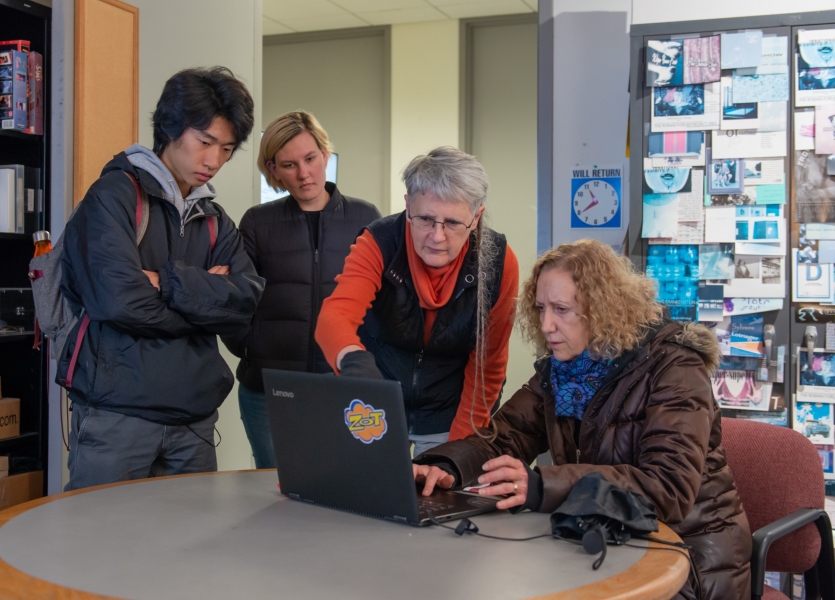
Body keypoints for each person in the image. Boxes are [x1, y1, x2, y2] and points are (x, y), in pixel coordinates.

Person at [412, 240, 751, 600]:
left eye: (561, 309)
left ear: (603, 308)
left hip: (690, 559)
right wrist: (444, 464)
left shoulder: (676, 368)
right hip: (606, 537)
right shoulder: (563, 370)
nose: (546, 325)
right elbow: (503, 436)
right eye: (541, 308)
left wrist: (544, 486)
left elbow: (669, 488)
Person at [58, 67, 265, 490]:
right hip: (117, 416)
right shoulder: (113, 196)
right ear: (171, 129)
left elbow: (245, 304)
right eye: (204, 142)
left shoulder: (214, 218)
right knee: (99, 547)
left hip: (194, 422)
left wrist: (168, 283)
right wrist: (205, 302)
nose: (214, 160)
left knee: (184, 552)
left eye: (226, 148)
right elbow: (118, 301)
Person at [315, 146, 519, 457]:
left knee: (440, 499)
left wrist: (459, 450)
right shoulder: (378, 242)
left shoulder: (498, 263)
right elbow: (336, 316)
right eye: (424, 219)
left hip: (448, 413)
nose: (437, 236)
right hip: (374, 408)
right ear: (408, 205)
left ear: (476, 217)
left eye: (452, 223)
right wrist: (354, 362)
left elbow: (488, 367)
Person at [222, 111, 380, 468]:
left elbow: (380, 300)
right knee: (276, 489)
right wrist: (250, 347)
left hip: (343, 388)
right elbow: (234, 298)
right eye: (289, 164)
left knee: (343, 487)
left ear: (325, 154)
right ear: (273, 169)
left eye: (310, 159)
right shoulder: (257, 223)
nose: (304, 173)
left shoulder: (364, 217)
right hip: (270, 389)